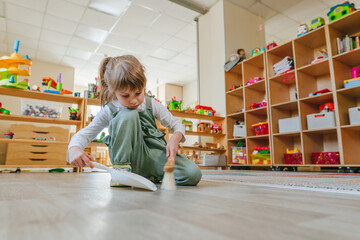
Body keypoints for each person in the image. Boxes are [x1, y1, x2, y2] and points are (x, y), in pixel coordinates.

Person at [67, 55, 202, 187]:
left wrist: (174, 139)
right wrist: (74, 148)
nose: (134, 100)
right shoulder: (109, 110)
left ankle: (151, 174)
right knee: (128, 114)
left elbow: (176, 124)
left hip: (154, 156)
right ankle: (122, 171)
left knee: (193, 174)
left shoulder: (152, 104)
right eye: (125, 95)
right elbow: (87, 133)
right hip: (130, 159)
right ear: (113, 92)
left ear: (143, 86)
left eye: (138, 93)